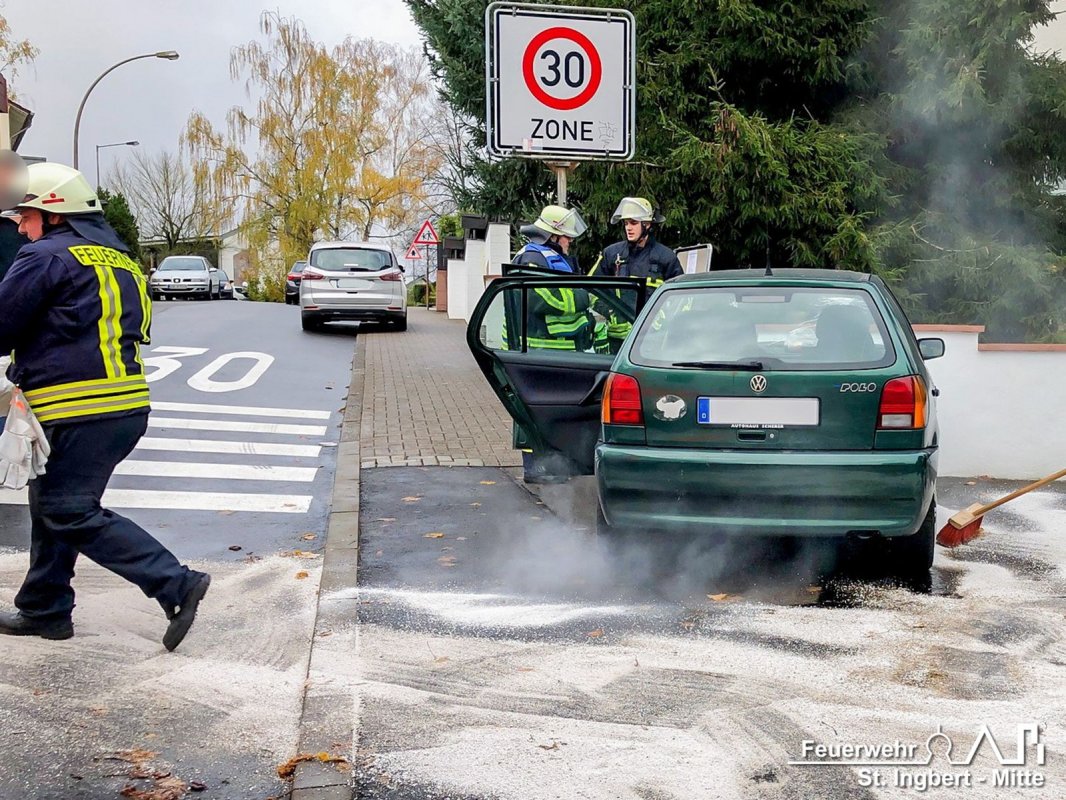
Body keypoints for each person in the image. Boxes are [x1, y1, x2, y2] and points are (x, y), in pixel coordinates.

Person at [0, 162, 210, 650]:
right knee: (51, 503)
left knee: (68, 509)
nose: (20, 226)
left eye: (26, 215)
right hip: (123, 407)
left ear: (54, 212)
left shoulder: (45, 257)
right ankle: (45, 608)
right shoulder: (120, 259)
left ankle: (174, 583)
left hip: (77, 407)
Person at [510, 205, 597, 481]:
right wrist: (584, 298)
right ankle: (535, 468)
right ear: (552, 235)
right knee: (532, 411)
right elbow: (542, 299)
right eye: (566, 236)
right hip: (535, 348)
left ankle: (554, 464)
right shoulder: (533, 258)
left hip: (554, 349)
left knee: (553, 411)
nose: (570, 241)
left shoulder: (552, 256)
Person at [591, 197, 684, 351]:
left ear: (647, 225)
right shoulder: (612, 254)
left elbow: (681, 300)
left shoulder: (666, 257)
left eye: (633, 223)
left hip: (653, 341)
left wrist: (660, 320)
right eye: (626, 223)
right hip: (617, 341)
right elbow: (592, 290)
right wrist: (610, 312)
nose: (628, 228)